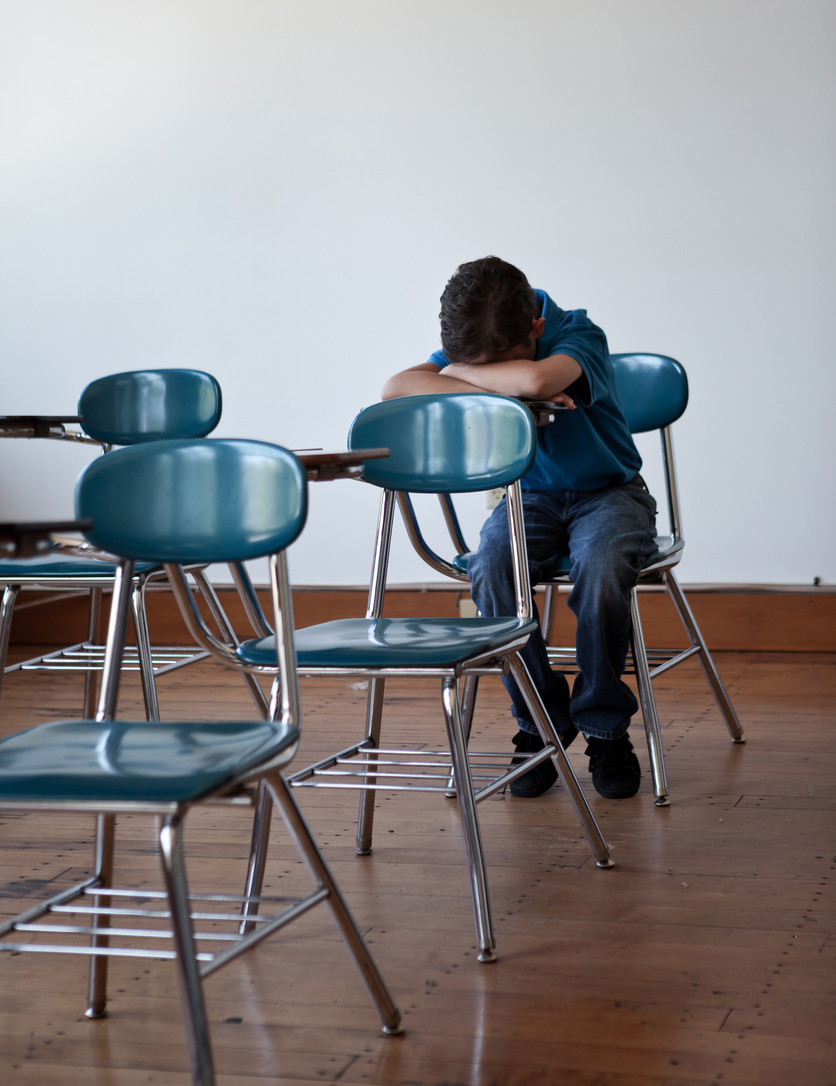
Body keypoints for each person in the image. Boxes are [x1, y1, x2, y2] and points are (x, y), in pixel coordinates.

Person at [381, 256, 658, 800]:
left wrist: (461, 376)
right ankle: (539, 718)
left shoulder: (577, 332)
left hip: (610, 493)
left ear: (535, 326)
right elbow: (395, 386)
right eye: (469, 364)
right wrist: (490, 381)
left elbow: (536, 377)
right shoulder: (490, 336)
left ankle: (604, 726)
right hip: (529, 498)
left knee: (602, 571)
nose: (493, 373)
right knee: (489, 568)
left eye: (499, 364)